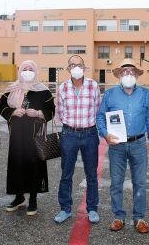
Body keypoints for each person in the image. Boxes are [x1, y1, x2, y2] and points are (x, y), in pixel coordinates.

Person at [96, 58, 149, 234]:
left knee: (140, 182)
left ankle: (139, 218)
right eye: (125, 72)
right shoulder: (109, 94)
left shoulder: (144, 94)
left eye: (131, 71)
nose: (128, 74)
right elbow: (101, 117)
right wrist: (105, 134)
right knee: (116, 182)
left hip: (138, 143)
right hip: (117, 145)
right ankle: (118, 216)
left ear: (137, 74)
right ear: (119, 75)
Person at [0, 60, 55, 216]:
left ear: (36, 71)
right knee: (17, 164)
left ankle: (33, 199)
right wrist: (12, 112)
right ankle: (19, 197)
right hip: (17, 135)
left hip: (35, 135)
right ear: (20, 71)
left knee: (34, 165)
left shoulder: (43, 91)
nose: (27, 71)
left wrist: (38, 113)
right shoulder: (12, 89)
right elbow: (2, 107)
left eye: (31, 69)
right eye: (25, 69)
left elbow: (51, 110)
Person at [54, 55, 101, 224]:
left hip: (90, 134)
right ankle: (65, 209)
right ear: (68, 68)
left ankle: (92, 208)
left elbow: (98, 109)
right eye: (72, 65)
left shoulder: (93, 86)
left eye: (79, 65)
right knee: (66, 174)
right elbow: (59, 112)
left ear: (84, 67)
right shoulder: (63, 88)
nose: (76, 68)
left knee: (91, 174)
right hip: (69, 134)